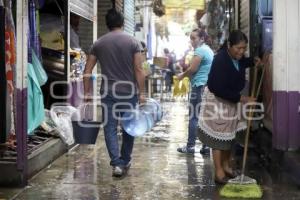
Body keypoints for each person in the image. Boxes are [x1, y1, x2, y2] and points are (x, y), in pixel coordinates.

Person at [83, 8, 145, 177]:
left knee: (110, 127)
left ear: (107, 24)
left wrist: (87, 92)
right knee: (129, 127)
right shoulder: (133, 42)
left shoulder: (98, 43)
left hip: (108, 93)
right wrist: (142, 93)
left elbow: (87, 69)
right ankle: (125, 159)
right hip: (129, 92)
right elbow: (139, 69)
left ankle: (117, 164)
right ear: (122, 22)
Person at [198, 30, 260, 184]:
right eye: (238, 48)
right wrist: (243, 98)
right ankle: (218, 172)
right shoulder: (220, 60)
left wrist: (253, 61)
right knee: (218, 138)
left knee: (229, 136)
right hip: (217, 102)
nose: (241, 51)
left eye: (243, 48)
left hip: (230, 102)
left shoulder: (236, 58)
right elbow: (216, 87)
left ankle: (226, 166)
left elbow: (241, 63)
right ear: (229, 45)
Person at [176, 28, 214, 155]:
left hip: (199, 86)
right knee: (205, 118)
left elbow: (192, 69)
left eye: (194, 38)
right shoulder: (209, 50)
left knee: (194, 117)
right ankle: (206, 146)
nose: (191, 41)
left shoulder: (200, 50)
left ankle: (190, 146)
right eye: (191, 38)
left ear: (201, 39)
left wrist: (182, 75)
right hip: (207, 87)